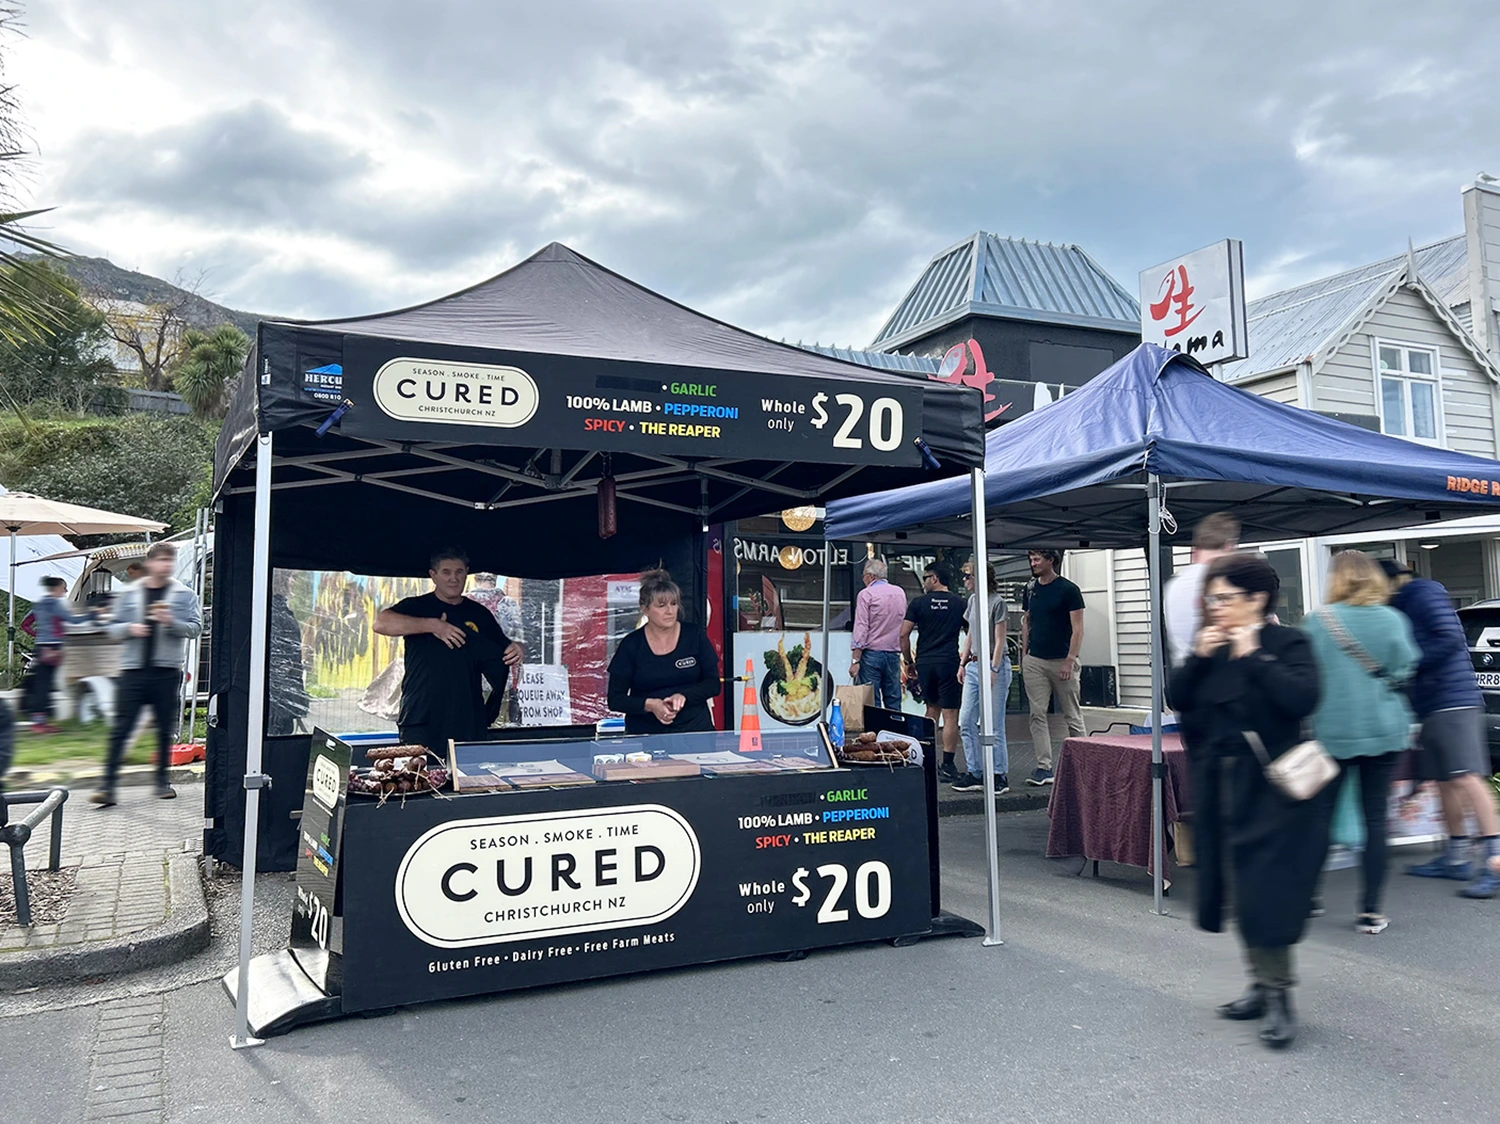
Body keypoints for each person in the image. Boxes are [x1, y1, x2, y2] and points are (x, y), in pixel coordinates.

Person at [1170, 552, 1328, 1050]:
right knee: (1237, 887)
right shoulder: (1210, 646)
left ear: (1256, 599)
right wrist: (1197, 655)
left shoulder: (1288, 642)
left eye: (1225, 597)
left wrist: (1254, 654)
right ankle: (1260, 985)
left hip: (1272, 790)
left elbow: (1302, 699)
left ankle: (1279, 996)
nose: (1215, 606)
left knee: (1267, 892)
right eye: (1211, 598)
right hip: (1219, 784)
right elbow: (1179, 699)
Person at [1302, 552, 1419, 933]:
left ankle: (1308, 899)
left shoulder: (1316, 623)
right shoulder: (1392, 620)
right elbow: (1406, 667)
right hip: (1384, 729)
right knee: (1374, 820)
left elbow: (1304, 674)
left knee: (1320, 815)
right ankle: (1370, 912)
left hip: (1332, 732)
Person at [1382, 560, 1500, 898]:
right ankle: (1456, 857)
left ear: (1393, 581)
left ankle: (1494, 861)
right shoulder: (1404, 600)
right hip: (1433, 703)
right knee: (1446, 781)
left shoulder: (1423, 592)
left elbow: (1448, 638)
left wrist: (1408, 662)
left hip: (1452, 700)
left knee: (1467, 777)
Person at [373, 547, 522, 755]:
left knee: (467, 782)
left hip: (467, 718)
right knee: (417, 780)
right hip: (421, 717)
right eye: (446, 572)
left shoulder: (479, 613)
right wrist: (434, 626)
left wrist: (516, 647)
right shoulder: (417, 606)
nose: (453, 578)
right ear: (433, 575)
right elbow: (381, 623)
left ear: (466, 573)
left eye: (459, 572)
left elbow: (505, 648)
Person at [91, 543, 203, 805]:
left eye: (170, 561)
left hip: (166, 671)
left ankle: (161, 781)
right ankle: (107, 786)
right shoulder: (130, 594)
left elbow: (196, 628)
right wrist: (131, 628)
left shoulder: (184, 595)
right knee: (121, 727)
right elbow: (112, 629)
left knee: (165, 729)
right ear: (149, 563)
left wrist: (170, 623)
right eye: (161, 560)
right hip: (133, 671)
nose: (165, 565)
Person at [607, 569, 721, 734]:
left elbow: (713, 684)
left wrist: (684, 696)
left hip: (695, 731)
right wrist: (651, 705)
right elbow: (616, 699)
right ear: (645, 609)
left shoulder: (694, 636)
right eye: (661, 605)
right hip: (646, 735)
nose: (670, 611)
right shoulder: (631, 645)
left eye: (673, 604)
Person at [1020, 548, 1085, 786]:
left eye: (1037, 559)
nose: (1033, 562)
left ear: (1051, 560)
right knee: (1037, 714)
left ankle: (1082, 762)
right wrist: (1024, 653)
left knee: (1072, 714)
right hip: (1035, 660)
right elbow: (1027, 619)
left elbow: (1077, 628)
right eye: (1031, 558)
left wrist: (1070, 659)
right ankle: (1043, 766)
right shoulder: (1030, 588)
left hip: (1061, 660)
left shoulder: (1068, 590)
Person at [901, 562, 966, 781]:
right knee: (951, 715)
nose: (924, 581)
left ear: (935, 578)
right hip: (949, 661)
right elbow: (973, 632)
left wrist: (909, 662)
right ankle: (948, 766)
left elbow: (903, 634)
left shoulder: (919, 603)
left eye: (926, 577)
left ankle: (926, 760)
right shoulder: (960, 603)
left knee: (931, 711)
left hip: (925, 662)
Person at [952, 560, 1011, 794]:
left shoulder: (997, 602)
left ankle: (999, 773)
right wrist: (963, 662)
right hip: (975, 664)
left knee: (994, 724)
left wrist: (994, 669)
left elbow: (999, 640)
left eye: (968, 576)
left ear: (980, 577)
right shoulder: (973, 600)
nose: (965, 580)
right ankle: (975, 771)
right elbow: (970, 634)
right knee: (966, 720)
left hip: (991, 662)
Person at [1165, 512, 1240, 667]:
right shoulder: (1229, 582)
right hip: (1223, 673)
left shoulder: (1173, 584)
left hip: (1185, 674)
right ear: (1229, 546)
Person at [23, 575, 86, 734]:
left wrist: (37, 635)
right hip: (52, 647)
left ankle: (40, 721)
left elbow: (25, 624)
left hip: (41, 647)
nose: (65, 591)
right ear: (56, 588)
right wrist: (95, 614)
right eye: (63, 588)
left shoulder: (39, 605)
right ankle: (39, 724)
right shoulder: (55, 604)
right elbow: (72, 620)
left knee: (42, 683)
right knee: (45, 685)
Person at [848, 557, 906, 711]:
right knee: (894, 699)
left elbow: (861, 627)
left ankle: (876, 733)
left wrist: (855, 660)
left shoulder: (866, 594)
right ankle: (895, 733)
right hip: (894, 653)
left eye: (864, 576)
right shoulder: (900, 592)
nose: (863, 579)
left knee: (872, 702)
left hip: (871, 655)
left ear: (871, 576)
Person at [469, 572, 525, 642]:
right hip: (500, 650)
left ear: (475, 579)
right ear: (495, 579)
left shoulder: (462, 601)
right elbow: (518, 636)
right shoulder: (508, 602)